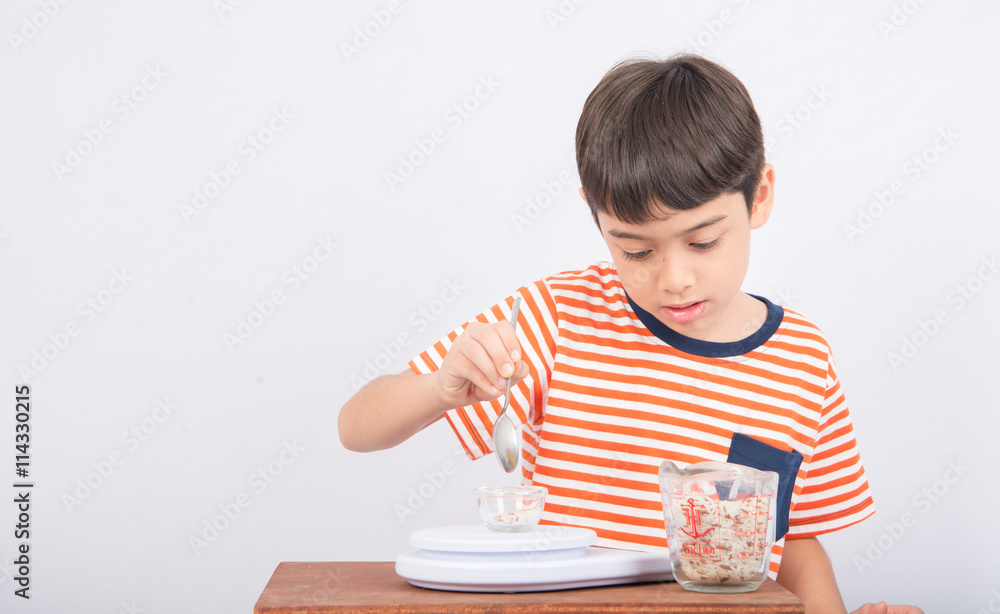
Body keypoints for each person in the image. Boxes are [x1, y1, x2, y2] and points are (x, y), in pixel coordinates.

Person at [339, 54, 921, 614]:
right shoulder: (558, 318)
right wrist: (439, 388)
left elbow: (794, 542)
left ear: (759, 197)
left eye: (703, 242)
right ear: (596, 215)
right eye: (636, 250)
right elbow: (356, 427)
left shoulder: (803, 359)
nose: (674, 279)